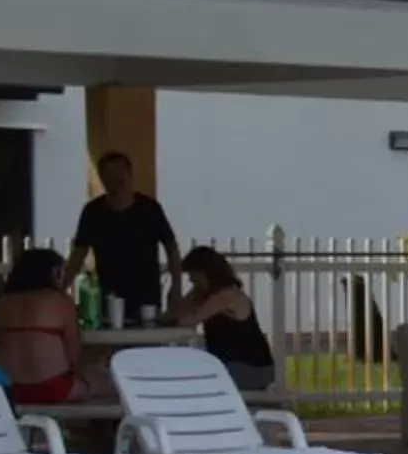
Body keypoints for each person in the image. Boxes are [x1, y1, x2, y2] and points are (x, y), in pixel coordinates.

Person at [70, 151, 181, 325]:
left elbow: (171, 247)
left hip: (146, 293)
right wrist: (62, 289)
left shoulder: (150, 209)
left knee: (147, 342)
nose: (115, 182)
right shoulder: (93, 212)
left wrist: (176, 285)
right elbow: (79, 252)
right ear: (102, 178)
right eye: (109, 176)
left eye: (119, 177)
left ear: (130, 175)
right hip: (108, 293)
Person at [169, 245, 277, 391]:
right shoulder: (205, 294)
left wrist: (188, 299)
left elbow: (186, 320)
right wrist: (185, 293)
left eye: (193, 275)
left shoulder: (226, 296)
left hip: (251, 369)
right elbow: (175, 313)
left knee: (195, 376)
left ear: (205, 273)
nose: (191, 280)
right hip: (230, 365)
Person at [0, 247, 85, 405]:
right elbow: (74, 355)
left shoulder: (2, 302)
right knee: (106, 384)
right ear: (53, 273)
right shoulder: (61, 301)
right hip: (53, 387)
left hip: (10, 388)